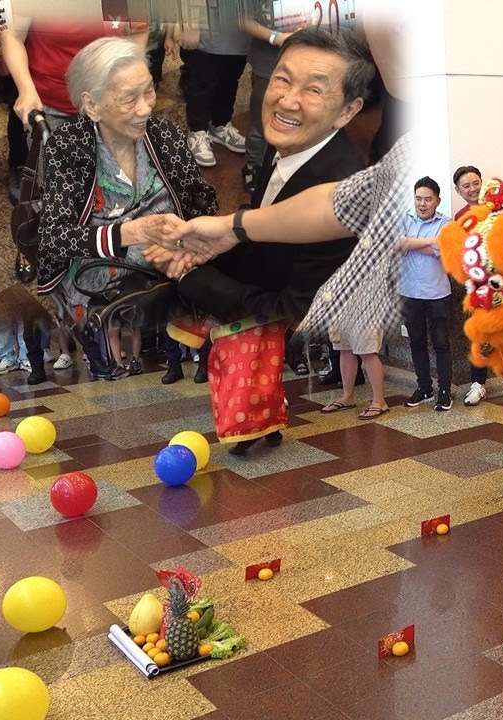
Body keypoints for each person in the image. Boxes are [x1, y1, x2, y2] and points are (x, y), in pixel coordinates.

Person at [148, 28, 372, 449]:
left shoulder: (342, 191)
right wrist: (200, 251)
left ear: (347, 111)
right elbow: (257, 232)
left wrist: (190, 279)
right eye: (282, 79)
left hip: (271, 309)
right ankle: (264, 424)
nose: (286, 101)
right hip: (253, 288)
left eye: (314, 90)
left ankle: (255, 427)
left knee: (246, 370)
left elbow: (287, 308)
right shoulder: (284, 142)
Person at [34, 37, 216, 385]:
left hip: (170, 263)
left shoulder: (165, 136)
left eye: (148, 92)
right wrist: (130, 233)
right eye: (129, 98)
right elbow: (54, 237)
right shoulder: (69, 146)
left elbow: (202, 199)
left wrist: (181, 239)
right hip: (101, 270)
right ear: (93, 105)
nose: (146, 107)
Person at [453, 165, 503, 406]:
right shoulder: (461, 218)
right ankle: (477, 384)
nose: (472, 189)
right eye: (466, 186)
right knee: (478, 335)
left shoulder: (500, 209)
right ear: (458, 191)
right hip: (476, 287)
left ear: (482, 182)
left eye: (475, 183)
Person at [398, 177, 454, 411]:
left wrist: (410, 243)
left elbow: (444, 248)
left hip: (438, 292)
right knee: (416, 342)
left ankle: (444, 391)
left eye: (427, 199)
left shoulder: (447, 223)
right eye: (418, 198)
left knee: (442, 344)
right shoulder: (403, 219)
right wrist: (430, 244)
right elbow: (397, 245)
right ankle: (424, 387)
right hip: (409, 291)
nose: (422, 203)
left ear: (437, 201)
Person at [239, 0, 301, 192]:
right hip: (268, 64)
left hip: (303, 63)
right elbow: (242, 19)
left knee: (296, 117)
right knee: (262, 120)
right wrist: (277, 37)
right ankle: (253, 165)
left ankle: (286, 163)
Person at [181, 0, 251, 167]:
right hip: (206, 28)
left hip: (239, 32)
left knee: (229, 81)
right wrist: (190, 24)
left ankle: (220, 125)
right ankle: (197, 131)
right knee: (201, 83)